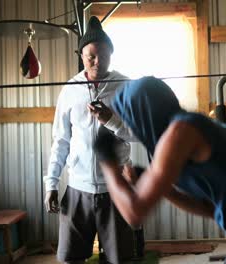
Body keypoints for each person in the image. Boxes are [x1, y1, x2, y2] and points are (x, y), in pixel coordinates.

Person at [94, 76, 226, 264]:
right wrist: (166, 191)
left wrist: (106, 160)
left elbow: (134, 214)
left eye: (131, 120)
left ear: (142, 114)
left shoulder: (179, 133)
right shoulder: (182, 130)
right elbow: (210, 209)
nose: (133, 128)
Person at [43, 16, 141, 264]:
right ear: (81, 55)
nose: (98, 61)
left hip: (115, 188)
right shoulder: (69, 90)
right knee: (70, 258)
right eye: (91, 56)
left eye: (104, 55)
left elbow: (137, 134)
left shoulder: (125, 87)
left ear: (112, 54)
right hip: (78, 189)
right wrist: (51, 183)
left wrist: (111, 120)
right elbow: (61, 140)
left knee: (120, 259)